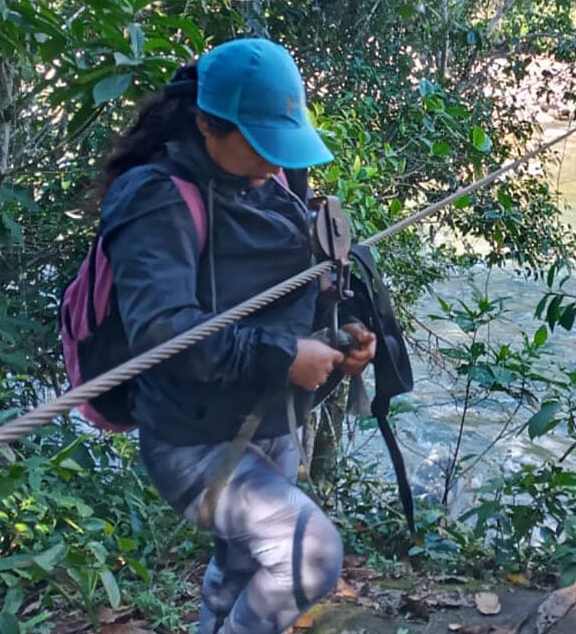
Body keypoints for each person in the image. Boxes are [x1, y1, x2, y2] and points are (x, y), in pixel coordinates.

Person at [96, 37, 376, 634]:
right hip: (195, 441)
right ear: (206, 124)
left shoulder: (274, 179)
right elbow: (161, 334)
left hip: (268, 421)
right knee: (311, 555)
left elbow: (286, 284)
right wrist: (285, 356)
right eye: (261, 143)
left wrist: (340, 333)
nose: (278, 161)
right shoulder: (155, 199)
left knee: (243, 566)